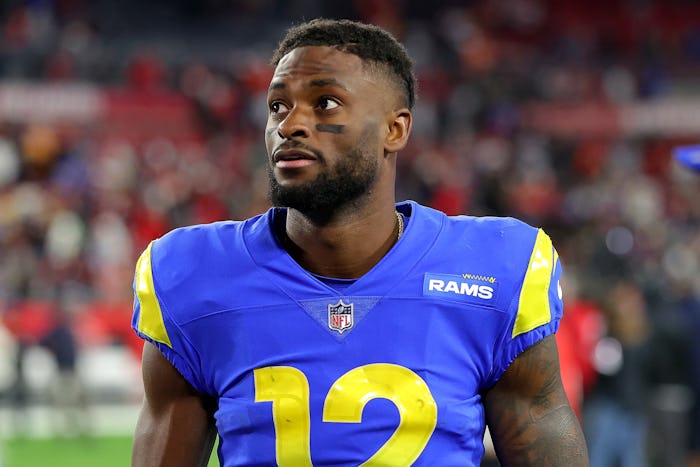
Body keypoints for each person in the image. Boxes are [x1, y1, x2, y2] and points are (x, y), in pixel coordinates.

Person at [130, 18, 588, 466]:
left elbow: (539, 427)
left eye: (325, 103)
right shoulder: (192, 274)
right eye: (277, 106)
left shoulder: (495, 267)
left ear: (396, 129)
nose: (289, 125)